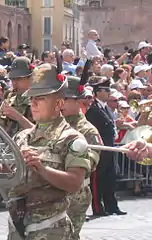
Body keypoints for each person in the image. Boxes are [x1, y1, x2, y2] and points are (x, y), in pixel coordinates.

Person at [7, 64, 92, 240]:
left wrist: (42, 169)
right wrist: (3, 169)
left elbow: (75, 183)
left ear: (59, 103)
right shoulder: (21, 137)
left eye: (41, 98)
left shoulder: (73, 139)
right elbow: (12, 180)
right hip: (18, 227)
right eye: (32, 99)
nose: (34, 104)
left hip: (51, 228)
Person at [61, 76, 102, 240]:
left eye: (65, 99)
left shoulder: (87, 130)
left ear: (78, 101)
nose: (60, 102)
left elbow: (89, 165)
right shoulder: (54, 124)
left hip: (74, 195)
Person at [85, 76, 127, 216]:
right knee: (98, 179)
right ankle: (98, 207)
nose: (108, 92)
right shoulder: (93, 110)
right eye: (105, 90)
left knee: (110, 178)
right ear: (97, 92)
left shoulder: (105, 108)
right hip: (100, 150)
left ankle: (112, 206)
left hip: (110, 148)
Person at [0, 57, 34, 137]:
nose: (14, 83)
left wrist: (18, 117)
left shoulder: (39, 101)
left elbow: (41, 135)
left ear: (31, 78)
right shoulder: (9, 96)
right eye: (12, 79)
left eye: (19, 79)